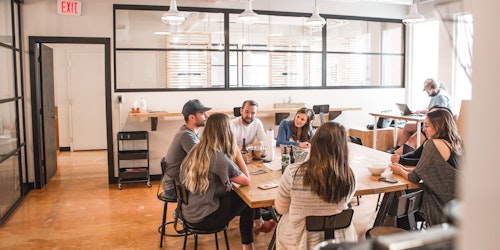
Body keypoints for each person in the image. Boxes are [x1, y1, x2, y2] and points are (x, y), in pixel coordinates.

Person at [275, 122, 358, 249]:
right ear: (343, 147)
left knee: (284, 220)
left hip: (301, 239)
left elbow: (281, 209)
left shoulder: (293, 172)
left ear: (315, 143)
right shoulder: (350, 175)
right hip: (339, 237)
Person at [179, 113, 255, 250]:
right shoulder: (219, 159)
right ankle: (249, 244)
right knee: (248, 199)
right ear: (227, 132)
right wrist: (237, 153)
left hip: (189, 212)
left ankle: (258, 222)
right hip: (206, 218)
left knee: (239, 197)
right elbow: (246, 180)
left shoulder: (197, 150)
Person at [389, 108, 463, 227]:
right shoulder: (456, 143)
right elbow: (430, 170)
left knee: (401, 205)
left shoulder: (433, 144)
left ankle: (405, 240)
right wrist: (405, 168)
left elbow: (414, 178)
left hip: (440, 207)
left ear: (438, 126)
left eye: (427, 126)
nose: (424, 129)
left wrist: (399, 170)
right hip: (456, 206)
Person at [230, 100, 276, 234]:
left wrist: (247, 147)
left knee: (262, 179)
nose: (249, 116)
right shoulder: (233, 124)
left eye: (253, 113)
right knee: (250, 185)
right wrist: (248, 148)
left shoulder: (257, 123)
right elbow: (230, 147)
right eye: (247, 112)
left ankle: (258, 219)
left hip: (251, 160)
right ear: (241, 111)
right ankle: (258, 220)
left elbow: (264, 141)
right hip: (236, 163)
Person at [160, 99, 211, 199]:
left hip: (182, 183)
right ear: (192, 117)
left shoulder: (192, 133)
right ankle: (186, 213)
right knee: (218, 192)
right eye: (202, 113)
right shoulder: (186, 136)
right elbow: (205, 159)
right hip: (176, 188)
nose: (207, 116)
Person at [392, 79, 453, 155]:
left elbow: (438, 115)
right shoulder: (435, 95)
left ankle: (397, 154)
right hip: (432, 122)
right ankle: (398, 148)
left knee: (413, 139)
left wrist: (421, 111)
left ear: (433, 88)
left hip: (437, 125)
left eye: (428, 91)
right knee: (408, 126)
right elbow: (429, 109)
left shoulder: (441, 97)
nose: (427, 93)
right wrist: (420, 112)